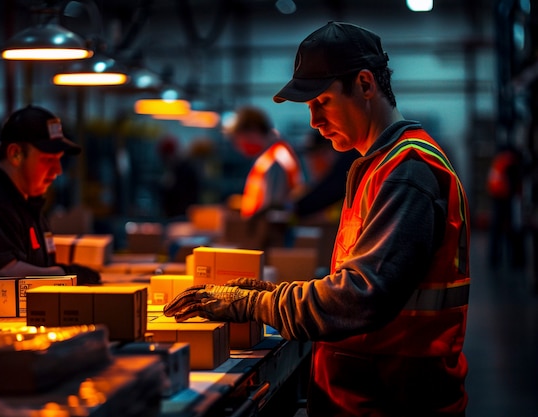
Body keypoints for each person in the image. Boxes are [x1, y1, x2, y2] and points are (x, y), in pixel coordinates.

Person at [164, 21, 471, 417]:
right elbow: (359, 281)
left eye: (322, 102)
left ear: (364, 84)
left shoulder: (406, 172)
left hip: (392, 398)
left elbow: (360, 298)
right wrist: (270, 292)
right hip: (369, 392)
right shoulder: (377, 165)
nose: (313, 121)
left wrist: (257, 304)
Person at [0, 105, 101, 323]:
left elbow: (38, 270)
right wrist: (66, 275)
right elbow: (4, 273)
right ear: (15, 154)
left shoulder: (27, 207)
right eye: (48, 160)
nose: (58, 170)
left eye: (59, 160)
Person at [225, 105, 306, 249]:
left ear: (253, 131)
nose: (239, 146)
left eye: (239, 140)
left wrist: (251, 228)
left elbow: (273, 204)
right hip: (267, 231)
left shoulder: (276, 159)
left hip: (270, 235)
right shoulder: (270, 155)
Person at [293, 129, 359, 222]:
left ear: (327, 152)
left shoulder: (348, 169)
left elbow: (328, 192)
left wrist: (294, 208)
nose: (311, 163)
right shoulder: (349, 164)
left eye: (315, 156)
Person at [486, 143, 525, 268]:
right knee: (511, 229)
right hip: (505, 198)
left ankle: (494, 258)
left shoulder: (500, 159)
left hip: (497, 196)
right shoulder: (511, 161)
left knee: (496, 230)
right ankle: (514, 261)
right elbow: (514, 183)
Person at [156, 134, 201, 220]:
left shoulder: (184, 170)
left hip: (183, 216)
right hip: (179, 216)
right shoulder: (174, 169)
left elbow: (184, 196)